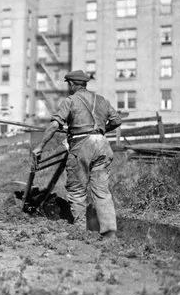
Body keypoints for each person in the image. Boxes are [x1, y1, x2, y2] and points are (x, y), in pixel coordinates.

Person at [32, 70, 121, 239]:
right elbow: (116, 121)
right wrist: (98, 131)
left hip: (82, 145)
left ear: (72, 84)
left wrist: (40, 147)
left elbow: (53, 125)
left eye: (68, 85)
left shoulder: (71, 101)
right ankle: (110, 234)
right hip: (102, 144)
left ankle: (80, 232)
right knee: (102, 191)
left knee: (77, 190)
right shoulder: (101, 100)